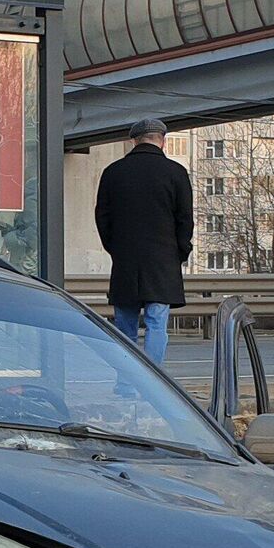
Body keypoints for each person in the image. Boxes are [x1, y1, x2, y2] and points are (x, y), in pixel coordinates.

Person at [94, 118, 193, 365]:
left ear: (133, 141)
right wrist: (180, 252)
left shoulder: (113, 172)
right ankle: (155, 384)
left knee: (124, 325)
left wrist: (115, 248)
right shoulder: (176, 173)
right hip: (163, 261)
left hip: (126, 260)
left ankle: (127, 384)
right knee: (157, 324)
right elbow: (185, 219)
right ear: (163, 141)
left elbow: (102, 217)